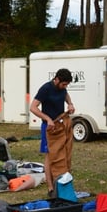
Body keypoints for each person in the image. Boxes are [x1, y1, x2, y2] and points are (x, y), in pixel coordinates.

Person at [29, 68, 75, 197]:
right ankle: (50, 187)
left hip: (61, 124)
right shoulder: (46, 89)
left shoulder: (62, 88)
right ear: (57, 79)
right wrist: (47, 119)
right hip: (49, 127)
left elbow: (65, 94)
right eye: (64, 84)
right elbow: (33, 107)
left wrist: (70, 104)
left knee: (63, 153)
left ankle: (61, 182)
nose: (65, 87)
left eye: (67, 85)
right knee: (50, 156)